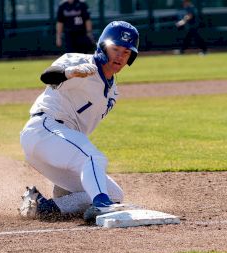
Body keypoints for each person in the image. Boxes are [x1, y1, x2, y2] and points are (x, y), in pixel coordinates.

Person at [19, 21, 139, 222]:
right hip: (43, 130)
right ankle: (102, 205)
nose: (120, 56)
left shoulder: (112, 91)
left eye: (126, 52)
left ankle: (44, 207)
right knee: (93, 158)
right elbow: (47, 76)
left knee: (115, 194)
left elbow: (79, 133)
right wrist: (70, 73)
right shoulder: (78, 61)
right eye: (115, 49)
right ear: (102, 47)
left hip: (59, 147)